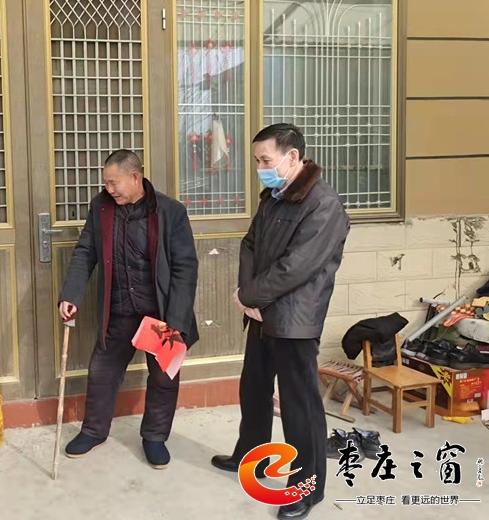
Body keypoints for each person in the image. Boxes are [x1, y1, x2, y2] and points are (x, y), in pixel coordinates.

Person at [210, 123, 349, 520]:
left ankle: (306, 488)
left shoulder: (323, 204)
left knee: (299, 405)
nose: (260, 168)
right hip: (260, 312)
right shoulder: (274, 197)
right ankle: (251, 458)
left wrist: (252, 296)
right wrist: (247, 294)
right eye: (256, 161)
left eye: (265, 160)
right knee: (253, 389)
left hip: (295, 320)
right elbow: (250, 244)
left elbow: (297, 267)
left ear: (292, 157)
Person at [58, 149, 199, 469]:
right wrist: (71, 294)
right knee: (102, 371)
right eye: (106, 183)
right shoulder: (102, 207)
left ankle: (155, 437)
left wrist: (176, 320)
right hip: (120, 308)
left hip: (159, 311)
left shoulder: (170, 211)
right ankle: (93, 431)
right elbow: (86, 251)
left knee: (163, 377)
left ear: (135, 177)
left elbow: (185, 268)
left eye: (114, 183)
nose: (109, 189)